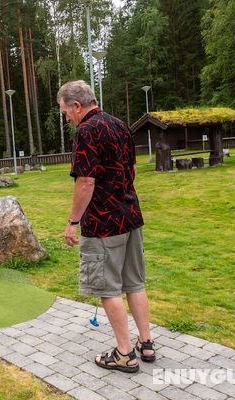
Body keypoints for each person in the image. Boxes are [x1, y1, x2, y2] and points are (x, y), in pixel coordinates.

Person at [57, 80, 155, 373]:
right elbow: (132, 170)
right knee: (135, 283)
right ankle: (146, 343)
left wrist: (72, 222)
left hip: (103, 224)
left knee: (108, 288)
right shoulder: (120, 125)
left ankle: (124, 354)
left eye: (65, 111)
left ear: (77, 106)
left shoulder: (86, 131)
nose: (66, 118)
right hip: (130, 217)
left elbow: (86, 181)